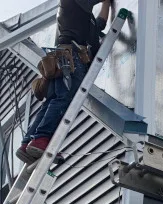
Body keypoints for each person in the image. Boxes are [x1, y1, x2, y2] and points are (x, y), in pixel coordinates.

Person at [16, 0, 113, 163]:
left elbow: (100, 24)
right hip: (71, 58)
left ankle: (28, 143)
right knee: (63, 99)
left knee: (52, 101)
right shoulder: (74, 3)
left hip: (65, 58)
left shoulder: (85, 18)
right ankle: (41, 140)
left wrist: (107, 3)